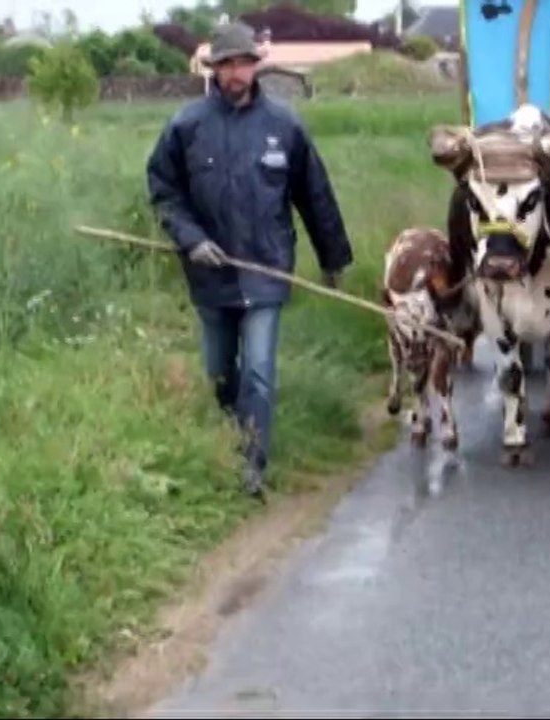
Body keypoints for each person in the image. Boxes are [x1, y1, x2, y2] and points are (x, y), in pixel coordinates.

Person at [145, 21, 354, 501]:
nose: (235, 73)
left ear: (255, 66)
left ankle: (251, 464)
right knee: (222, 371)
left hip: (267, 270)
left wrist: (333, 259)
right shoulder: (185, 126)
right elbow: (164, 192)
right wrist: (190, 238)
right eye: (226, 65)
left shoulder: (285, 126)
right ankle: (228, 440)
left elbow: (315, 196)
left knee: (259, 370)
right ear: (213, 70)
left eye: (243, 63)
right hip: (209, 274)